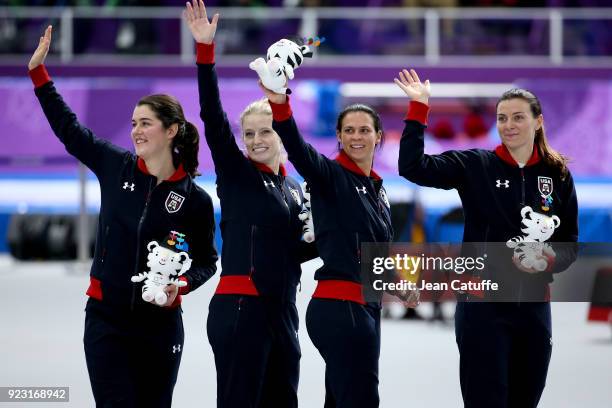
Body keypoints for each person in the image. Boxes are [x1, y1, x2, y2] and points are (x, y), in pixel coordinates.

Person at [28, 25, 218, 407]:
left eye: (145, 123)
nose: (135, 131)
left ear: (172, 131)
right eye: (133, 124)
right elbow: (71, 131)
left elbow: (207, 262)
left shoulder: (195, 199)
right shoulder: (116, 166)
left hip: (161, 326)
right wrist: (39, 75)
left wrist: (180, 287)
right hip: (106, 320)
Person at [397, 69, 578, 407]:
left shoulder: (558, 175)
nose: (508, 125)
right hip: (482, 305)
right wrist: (418, 108)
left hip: (534, 307)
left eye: (518, 117)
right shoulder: (476, 165)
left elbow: (569, 241)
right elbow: (413, 168)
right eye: (502, 118)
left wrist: (547, 258)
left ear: (538, 122)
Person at [258, 60, 419, 406]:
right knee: (360, 398)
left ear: (379, 137)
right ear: (339, 136)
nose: (356, 137)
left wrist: (398, 285)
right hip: (339, 305)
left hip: (365, 306)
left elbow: (370, 254)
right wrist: (278, 101)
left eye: (364, 130)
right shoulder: (331, 176)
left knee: (344, 397)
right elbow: (297, 147)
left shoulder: (377, 190)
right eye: (349, 130)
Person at [183, 1, 317, 407]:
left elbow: (298, 251)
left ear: (282, 134)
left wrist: (329, 229)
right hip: (241, 309)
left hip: (283, 313)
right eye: (249, 133)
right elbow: (211, 118)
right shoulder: (238, 174)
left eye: (265, 132)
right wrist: (205, 53)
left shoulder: (295, 188)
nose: (256, 140)